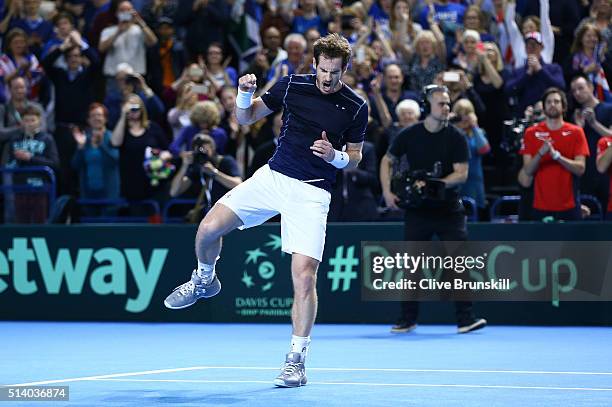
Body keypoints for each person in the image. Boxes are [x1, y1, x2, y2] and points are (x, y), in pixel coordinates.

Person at [163, 33, 367, 387]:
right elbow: (245, 118)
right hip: (272, 178)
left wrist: (335, 157)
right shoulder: (291, 85)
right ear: (315, 64)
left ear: (345, 68)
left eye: (335, 72)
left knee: (304, 277)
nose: (328, 78)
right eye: (323, 70)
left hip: (312, 193)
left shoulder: (356, 106)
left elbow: (356, 156)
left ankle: (296, 361)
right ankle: (204, 280)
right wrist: (244, 93)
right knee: (208, 229)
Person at [379, 84, 486, 334]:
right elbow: (387, 160)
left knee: (458, 263)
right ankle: (408, 319)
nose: (447, 107)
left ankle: (465, 319)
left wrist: (432, 184)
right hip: (419, 210)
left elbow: (462, 174)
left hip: (450, 209)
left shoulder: (457, 136)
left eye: (448, 103)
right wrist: (387, 191)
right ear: (427, 107)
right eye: (441, 103)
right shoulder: (410, 134)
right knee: (412, 266)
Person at [519, 87, 589, 221]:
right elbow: (527, 170)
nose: (552, 105)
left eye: (556, 102)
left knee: (572, 243)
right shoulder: (531, 133)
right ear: (544, 107)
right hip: (540, 205)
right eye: (549, 102)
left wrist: (557, 156)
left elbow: (581, 169)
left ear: (563, 107)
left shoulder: (576, 132)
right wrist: (541, 153)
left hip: (569, 205)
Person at [169, 133, 242, 223]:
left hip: (228, 212)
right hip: (209, 214)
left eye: (205, 149)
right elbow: (174, 191)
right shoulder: (197, 168)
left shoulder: (226, 161)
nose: (202, 153)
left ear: (213, 148)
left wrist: (214, 173)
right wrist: (184, 165)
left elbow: (238, 184)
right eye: (198, 149)